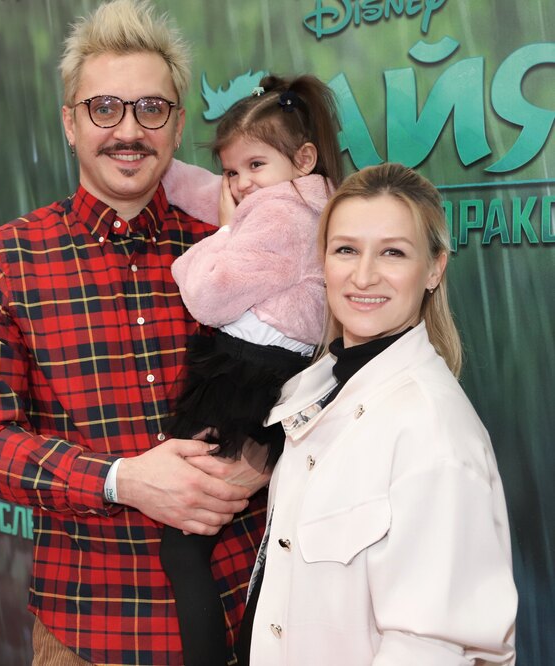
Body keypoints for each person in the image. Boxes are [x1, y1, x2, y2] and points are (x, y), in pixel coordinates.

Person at [0, 1, 269, 664]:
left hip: (250, 619)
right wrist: (121, 479)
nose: (129, 131)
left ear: (177, 126)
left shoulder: (233, 252)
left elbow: (310, 385)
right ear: (69, 123)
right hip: (87, 632)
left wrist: (263, 457)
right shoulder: (1, 263)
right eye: (104, 109)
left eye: (151, 109)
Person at [239, 163, 518, 665]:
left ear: (434, 269)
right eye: (346, 249)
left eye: (393, 252)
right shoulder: (316, 393)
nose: (363, 275)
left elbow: (430, 649)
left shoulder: (432, 431)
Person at [157, 74, 342, 665]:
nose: (240, 184)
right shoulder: (313, 201)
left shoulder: (279, 216)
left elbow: (207, 297)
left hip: (243, 379)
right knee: (265, 539)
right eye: (232, 171)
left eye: (254, 166)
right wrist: (180, 178)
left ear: (302, 158)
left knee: (182, 547)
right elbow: (209, 190)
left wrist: (215, 239)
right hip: (279, 381)